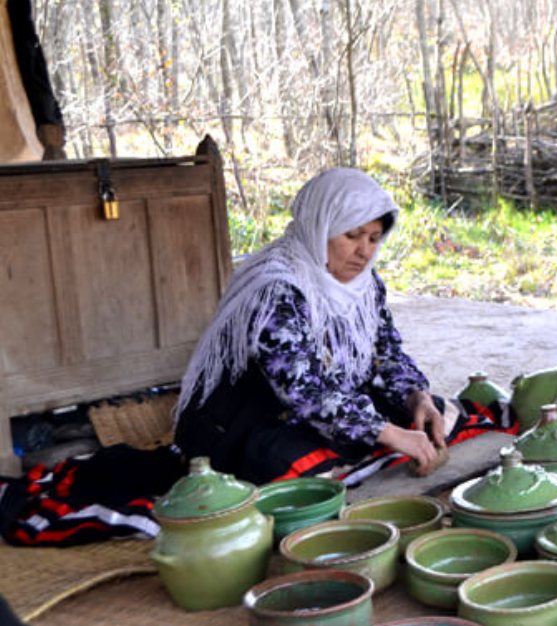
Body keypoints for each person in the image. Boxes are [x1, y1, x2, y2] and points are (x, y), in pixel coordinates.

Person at [173, 169, 510, 484]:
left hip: (329, 397)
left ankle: (376, 446)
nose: (364, 252)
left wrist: (415, 396)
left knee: (430, 413)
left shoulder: (364, 284)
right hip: (256, 413)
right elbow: (303, 392)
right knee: (288, 461)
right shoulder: (275, 289)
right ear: (321, 226)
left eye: (374, 238)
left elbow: (386, 353)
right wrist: (390, 434)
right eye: (352, 235)